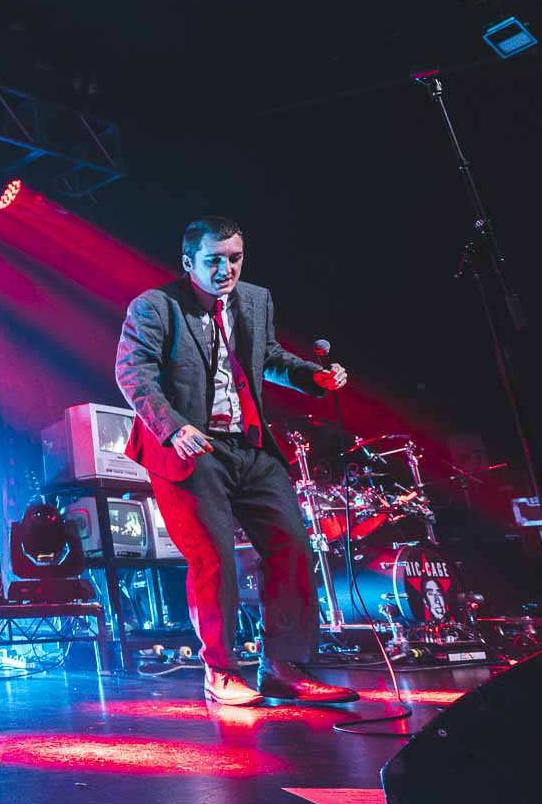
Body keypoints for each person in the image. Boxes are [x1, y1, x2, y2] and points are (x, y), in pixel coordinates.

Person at [114, 217, 360, 706]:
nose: (225, 269)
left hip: (249, 445)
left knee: (292, 545)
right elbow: (133, 373)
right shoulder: (155, 306)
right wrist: (173, 427)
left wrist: (313, 378)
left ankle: (285, 667)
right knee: (214, 557)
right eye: (213, 260)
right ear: (189, 263)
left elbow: (268, 357)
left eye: (234, 258)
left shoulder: (255, 299)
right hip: (189, 445)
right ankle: (221, 670)